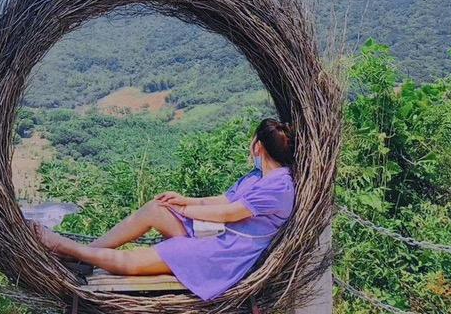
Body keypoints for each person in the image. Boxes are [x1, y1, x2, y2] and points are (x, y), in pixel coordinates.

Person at [34, 118, 296, 301]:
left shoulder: (279, 186)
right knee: (156, 208)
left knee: (133, 262)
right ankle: (86, 255)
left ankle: (65, 247)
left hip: (225, 253)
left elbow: (229, 214)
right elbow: (223, 200)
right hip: (215, 234)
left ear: (258, 146)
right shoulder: (256, 176)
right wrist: (184, 200)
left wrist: (185, 211)